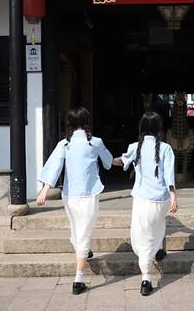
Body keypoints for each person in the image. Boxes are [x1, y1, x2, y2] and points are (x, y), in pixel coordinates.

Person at [36, 107, 113, 295]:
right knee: (83, 234)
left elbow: (54, 167)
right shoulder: (95, 142)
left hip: (69, 196)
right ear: (87, 122)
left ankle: (84, 252)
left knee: (76, 231)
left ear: (69, 123)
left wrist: (44, 190)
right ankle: (78, 279)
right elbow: (108, 162)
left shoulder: (64, 144)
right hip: (89, 195)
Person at [112, 111, 178, 296]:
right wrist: (173, 197)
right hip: (161, 200)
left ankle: (146, 278)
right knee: (157, 229)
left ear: (141, 128)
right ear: (159, 129)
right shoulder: (166, 148)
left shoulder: (135, 147)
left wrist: (104, 158)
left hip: (142, 199)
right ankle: (158, 250)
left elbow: (120, 161)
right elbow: (169, 175)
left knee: (142, 237)